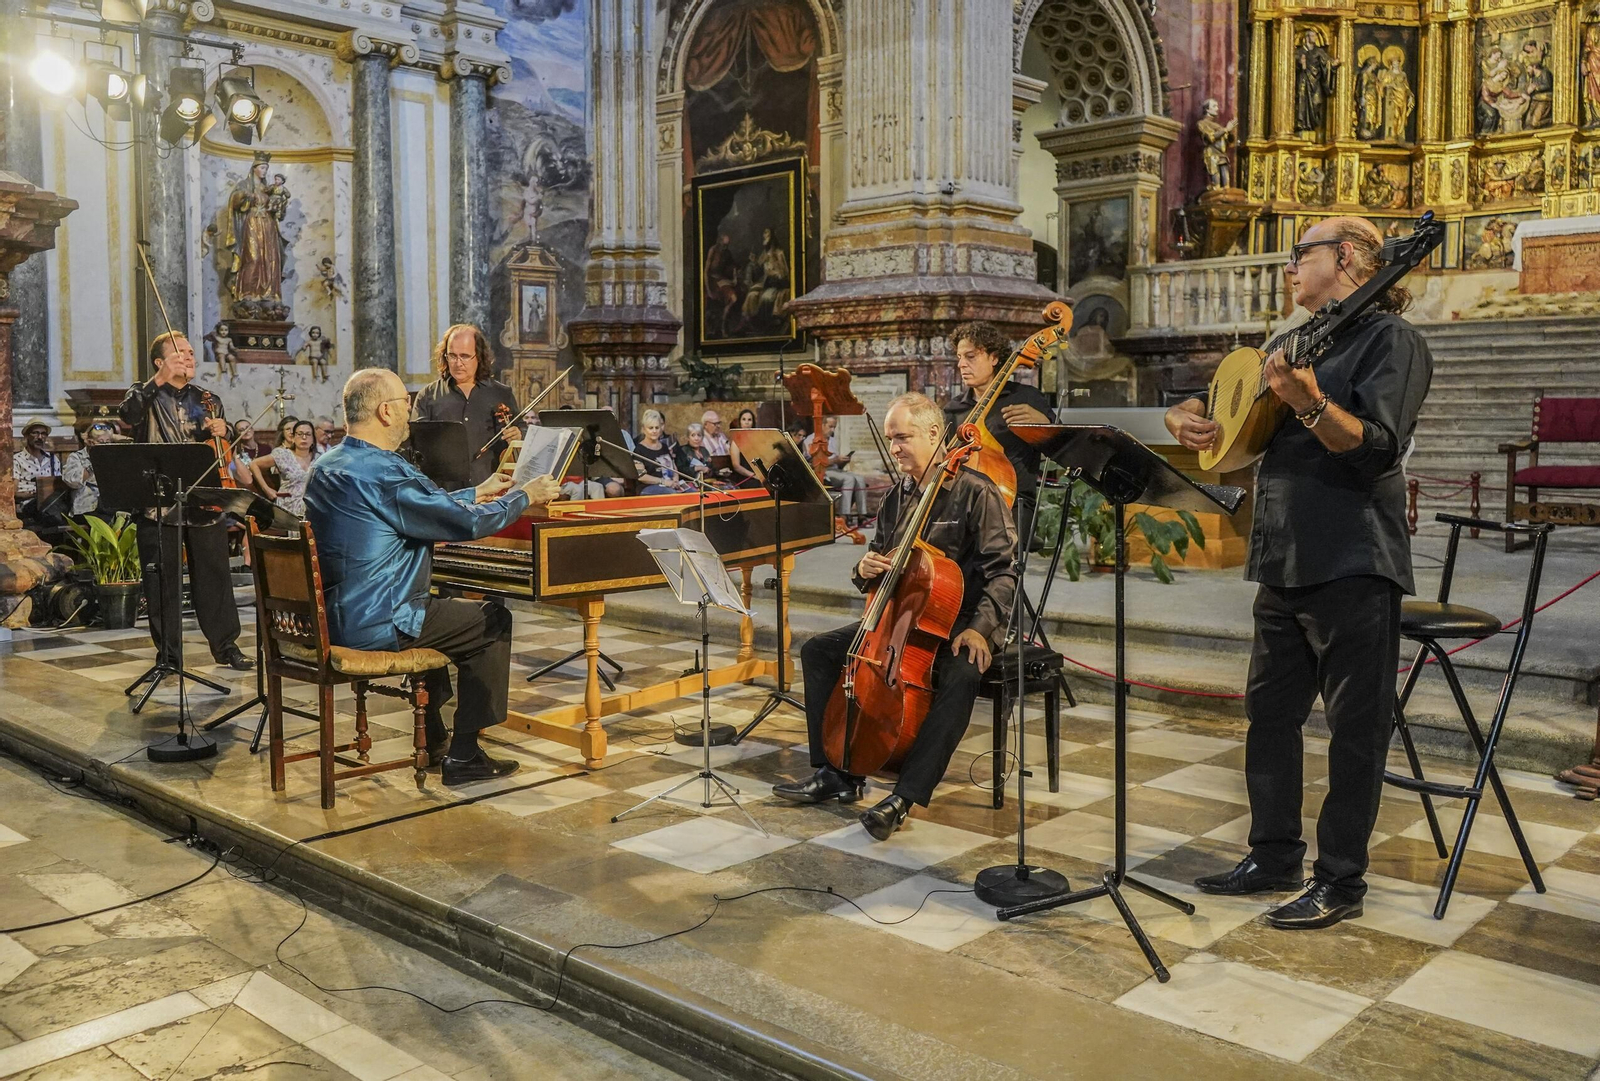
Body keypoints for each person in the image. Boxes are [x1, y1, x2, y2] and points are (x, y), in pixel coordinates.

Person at [1164, 215, 1433, 930]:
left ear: (1345, 257)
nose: (1288, 266)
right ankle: (1273, 853)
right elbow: (1218, 405)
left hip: (1353, 557)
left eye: (1299, 253)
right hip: (1281, 556)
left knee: (1355, 730)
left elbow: (1376, 449)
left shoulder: (1391, 340)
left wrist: (1309, 402)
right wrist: (1187, 415)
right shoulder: (1291, 343)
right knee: (1270, 716)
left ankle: (1340, 879)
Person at [774, 393, 1017, 840]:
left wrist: (982, 629)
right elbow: (880, 558)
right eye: (890, 440)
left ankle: (905, 796)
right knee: (820, 651)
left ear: (933, 434)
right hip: (903, 616)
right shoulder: (899, 495)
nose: (895, 448)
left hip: (962, 619)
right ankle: (836, 773)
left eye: (903, 438)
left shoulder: (975, 491)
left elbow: (1003, 571)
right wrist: (863, 568)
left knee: (962, 676)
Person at [304, 368, 561, 785]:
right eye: (405, 406)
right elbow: (463, 526)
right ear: (385, 412)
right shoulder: (387, 472)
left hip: (330, 617)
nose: (410, 415)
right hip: (379, 621)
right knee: (492, 620)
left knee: (441, 615)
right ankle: (465, 753)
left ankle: (437, 735)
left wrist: (476, 491)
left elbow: (417, 505)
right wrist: (524, 496)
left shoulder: (327, 465)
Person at [118, 331, 252, 671]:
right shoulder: (143, 394)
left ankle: (226, 647)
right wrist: (158, 379)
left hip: (204, 502)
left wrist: (225, 432)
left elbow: (220, 454)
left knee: (215, 578)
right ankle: (169, 657)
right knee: (163, 582)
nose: (189, 358)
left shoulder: (208, 399)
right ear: (160, 361)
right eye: (180, 353)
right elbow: (129, 416)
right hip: (158, 503)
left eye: (191, 353)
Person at [941, 319, 1055, 548]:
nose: (961, 364)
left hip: (1012, 505)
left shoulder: (1026, 398)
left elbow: (1062, 448)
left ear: (994, 358)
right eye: (959, 357)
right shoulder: (954, 409)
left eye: (971, 357)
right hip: (962, 505)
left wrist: (1044, 423)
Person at [410, 324, 521, 486]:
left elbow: (522, 430)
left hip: (489, 488)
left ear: (479, 356)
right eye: (452, 356)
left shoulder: (501, 394)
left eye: (465, 356)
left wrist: (518, 434)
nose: (458, 363)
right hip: (443, 492)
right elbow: (417, 446)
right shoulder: (427, 396)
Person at [803, 416, 869, 528]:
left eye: (834, 427)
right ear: (822, 425)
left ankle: (862, 516)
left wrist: (843, 460)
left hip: (835, 469)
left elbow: (837, 463)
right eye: (830, 427)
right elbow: (814, 463)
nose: (832, 430)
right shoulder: (810, 440)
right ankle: (844, 515)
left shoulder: (833, 441)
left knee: (860, 478)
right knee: (849, 479)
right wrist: (834, 460)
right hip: (821, 471)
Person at [257, 419, 316, 517]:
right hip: (289, 506)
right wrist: (266, 489)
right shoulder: (283, 455)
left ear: (313, 438)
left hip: (311, 508)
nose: (304, 437)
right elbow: (254, 464)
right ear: (293, 438)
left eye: (308, 434)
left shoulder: (319, 458)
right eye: (300, 434)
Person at [61, 422, 116, 517]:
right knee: (107, 521)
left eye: (107, 442)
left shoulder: (111, 458)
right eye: (101, 442)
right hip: (86, 507)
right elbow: (73, 482)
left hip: (109, 505)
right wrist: (94, 462)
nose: (104, 446)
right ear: (90, 442)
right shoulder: (76, 457)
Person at [12, 420, 61, 512]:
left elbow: (58, 486)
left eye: (43, 434)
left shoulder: (52, 459)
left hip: (50, 504)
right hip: (27, 504)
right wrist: (36, 495)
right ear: (26, 436)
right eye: (35, 433)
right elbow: (12, 493)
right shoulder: (17, 459)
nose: (40, 437)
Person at [633, 410, 685, 495]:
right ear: (643, 429)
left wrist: (675, 480)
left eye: (657, 428)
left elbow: (674, 469)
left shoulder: (664, 447)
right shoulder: (639, 450)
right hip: (647, 488)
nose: (654, 431)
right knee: (673, 494)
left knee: (692, 492)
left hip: (669, 485)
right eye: (651, 428)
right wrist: (663, 482)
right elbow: (641, 477)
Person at [675, 422, 719, 486]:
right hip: (689, 483)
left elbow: (711, 467)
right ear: (688, 437)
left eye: (699, 435)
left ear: (702, 437)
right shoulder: (682, 450)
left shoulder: (704, 450)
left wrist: (715, 471)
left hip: (706, 482)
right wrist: (697, 468)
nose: (696, 438)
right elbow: (680, 470)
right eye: (693, 435)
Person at [726, 407, 760, 485]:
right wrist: (753, 475)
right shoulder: (736, 441)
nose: (746, 422)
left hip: (757, 475)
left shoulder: (757, 439)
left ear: (753, 423)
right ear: (740, 422)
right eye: (744, 419)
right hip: (744, 477)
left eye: (749, 420)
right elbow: (736, 466)